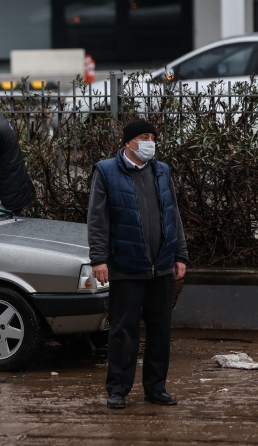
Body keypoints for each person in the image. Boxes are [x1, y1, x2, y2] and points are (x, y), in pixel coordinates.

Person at [87, 118, 188, 410]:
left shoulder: (162, 171)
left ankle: (156, 388)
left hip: (161, 266)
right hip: (126, 264)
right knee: (124, 331)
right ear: (128, 142)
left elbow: (173, 215)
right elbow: (97, 219)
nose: (149, 142)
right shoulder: (106, 171)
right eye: (143, 137)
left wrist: (180, 255)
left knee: (160, 331)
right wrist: (99, 258)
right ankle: (118, 389)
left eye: (152, 137)